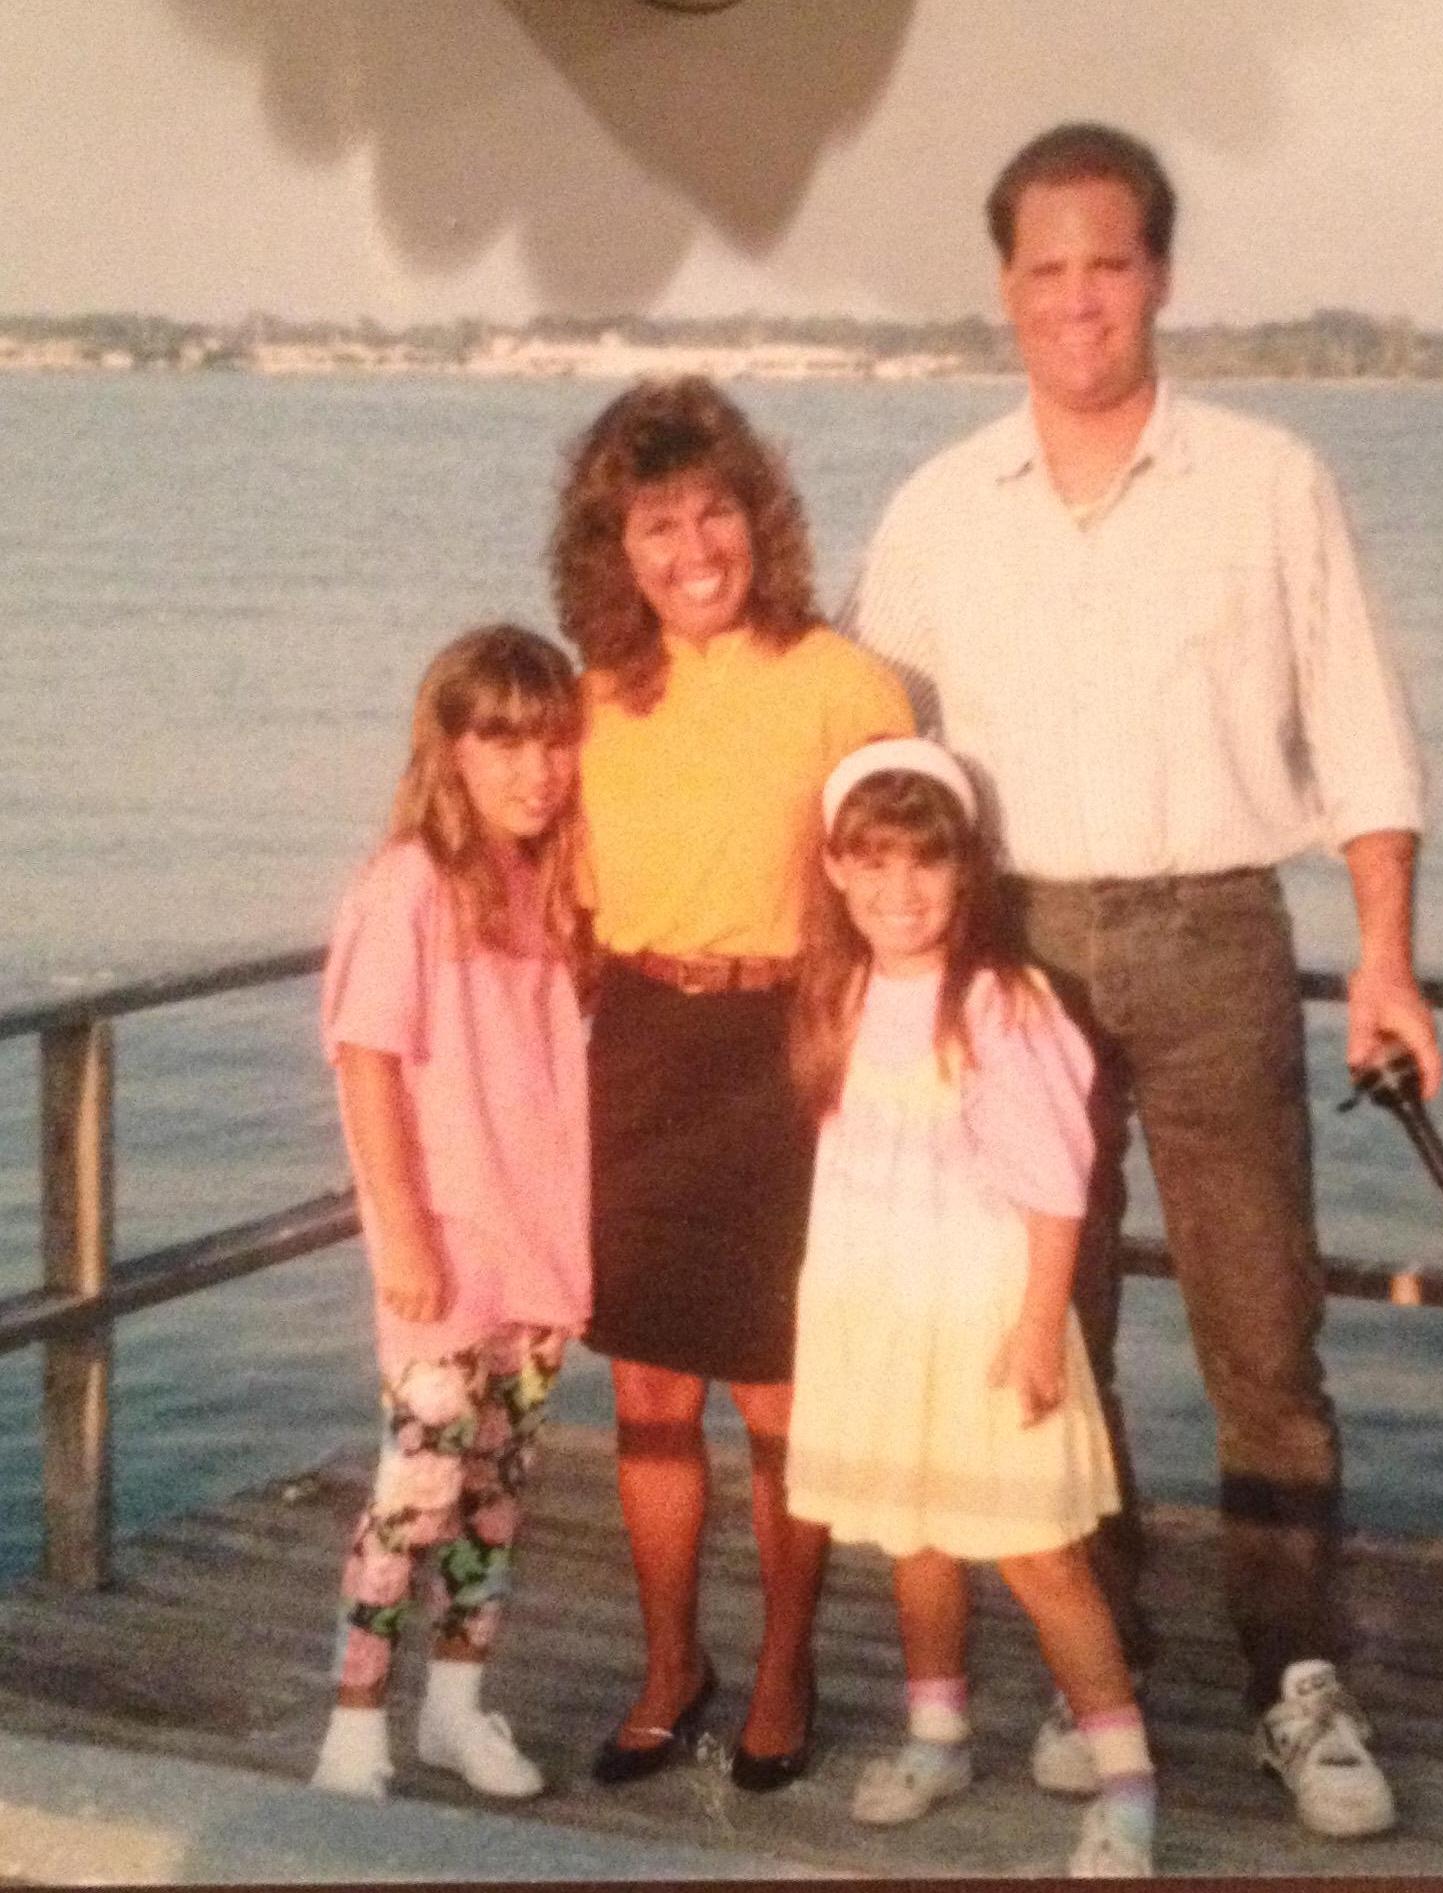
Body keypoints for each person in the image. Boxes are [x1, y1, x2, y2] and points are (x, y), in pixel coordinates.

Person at [845, 123, 1441, 1840]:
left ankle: (1293, 1682)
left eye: (1108, 261)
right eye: (1044, 267)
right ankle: (1089, 1658)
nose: (1077, 298)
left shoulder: (1267, 480)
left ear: (1160, 275)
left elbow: (1362, 740)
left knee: (1261, 1326)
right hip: (1010, 948)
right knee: (1054, 1327)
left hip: (1214, 935)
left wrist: (1383, 953)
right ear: (1003, 291)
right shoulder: (939, 507)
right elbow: (869, 762)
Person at [550, 377, 913, 1792]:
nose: (691, 547)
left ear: (758, 519)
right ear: (614, 547)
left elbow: (917, 895)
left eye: (714, 512)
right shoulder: (590, 698)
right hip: (637, 1046)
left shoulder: (844, 682)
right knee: (647, 1393)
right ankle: (669, 1666)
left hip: (790, 1055)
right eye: (655, 523)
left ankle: (780, 1666)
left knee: (777, 1396)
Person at [785, 738, 1158, 1877]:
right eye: (874, 865)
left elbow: (1057, 1185)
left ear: (967, 874)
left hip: (989, 1317)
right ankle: (938, 1729)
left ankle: (1129, 1778)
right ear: (839, 873)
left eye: (926, 866)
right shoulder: (837, 994)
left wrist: (1042, 1326)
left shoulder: (1001, 1001)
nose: (900, 892)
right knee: (917, 1535)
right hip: (880, 1314)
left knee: (1040, 1550)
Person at [310, 624, 591, 1802]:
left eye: (553, 741)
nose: (535, 768)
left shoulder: (552, 884)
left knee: (494, 1496)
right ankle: (353, 1724)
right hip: (446, 1253)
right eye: (503, 740)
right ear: (453, 748)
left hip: (539, 1249)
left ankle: (456, 1710)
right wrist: (406, 1236)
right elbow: (368, 1061)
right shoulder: (409, 885)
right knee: (414, 1495)